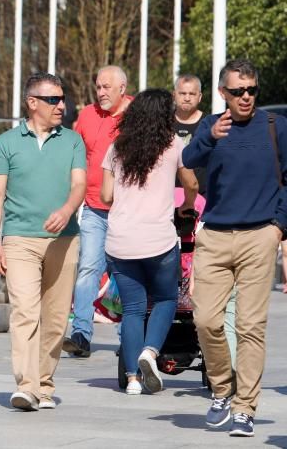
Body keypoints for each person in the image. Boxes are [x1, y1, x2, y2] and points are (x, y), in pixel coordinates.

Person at [183, 59, 287, 438]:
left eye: (252, 91)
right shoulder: (212, 125)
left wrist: (279, 225)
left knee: (250, 326)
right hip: (215, 235)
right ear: (223, 93)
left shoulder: (277, 127)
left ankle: (245, 406)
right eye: (238, 91)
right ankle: (222, 392)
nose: (246, 97)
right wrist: (211, 137)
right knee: (206, 320)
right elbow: (189, 160)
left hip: (259, 235)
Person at [0, 73, 86, 411]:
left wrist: (68, 209)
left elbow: (79, 186)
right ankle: (26, 386)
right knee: (25, 312)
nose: (61, 105)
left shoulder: (72, 141)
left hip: (64, 239)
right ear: (32, 102)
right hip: (19, 239)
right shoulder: (7, 142)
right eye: (53, 100)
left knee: (56, 319)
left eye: (62, 98)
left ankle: (44, 385)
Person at [99, 89, 198, 395]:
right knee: (167, 300)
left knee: (132, 309)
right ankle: (150, 352)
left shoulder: (117, 147)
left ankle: (131, 380)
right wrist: (186, 204)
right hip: (158, 240)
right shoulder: (173, 145)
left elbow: (105, 196)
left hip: (120, 240)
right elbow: (192, 183)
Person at [64, 65, 132, 358]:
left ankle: (129, 337)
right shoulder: (88, 115)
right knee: (88, 268)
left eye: (106, 87)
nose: (100, 92)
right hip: (93, 207)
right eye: (98, 87)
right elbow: (75, 152)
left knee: (127, 275)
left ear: (122, 88)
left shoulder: (136, 117)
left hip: (128, 211)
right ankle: (81, 333)